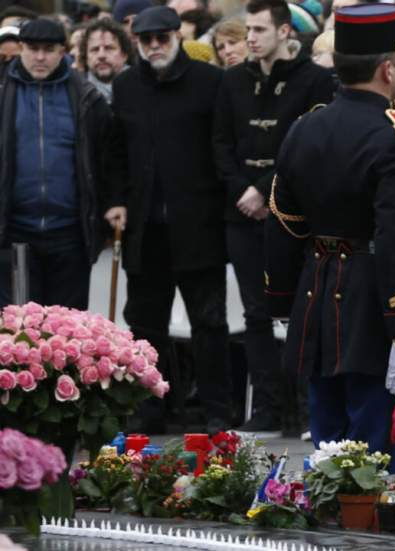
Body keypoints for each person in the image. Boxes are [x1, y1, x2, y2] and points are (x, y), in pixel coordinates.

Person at [264, 3, 395, 468]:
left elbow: (285, 222)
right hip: (371, 296)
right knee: (376, 450)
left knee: (328, 442)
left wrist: (281, 299)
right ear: (388, 68)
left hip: (315, 293)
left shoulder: (304, 127)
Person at [105, 6, 232, 434]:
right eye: (147, 40)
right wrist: (116, 200)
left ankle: (217, 409)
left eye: (162, 38)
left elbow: (221, 147)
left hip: (198, 224)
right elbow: (116, 153)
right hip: (145, 228)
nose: (155, 46)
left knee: (209, 323)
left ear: (177, 36)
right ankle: (153, 404)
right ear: (137, 42)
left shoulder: (210, 82)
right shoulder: (125, 86)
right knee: (145, 323)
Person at [212, 0, 335, 435]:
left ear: (285, 32)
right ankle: (265, 406)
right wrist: (242, 190)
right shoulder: (232, 81)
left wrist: (265, 191)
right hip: (242, 210)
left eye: (260, 29)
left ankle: (302, 409)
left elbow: (309, 146)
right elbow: (221, 144)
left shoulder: (317, 81)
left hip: (294, 213)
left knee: (303, 310)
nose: (250, 38)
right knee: (255, 313)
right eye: (248, 29)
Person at [0, 18, 111, 309]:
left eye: (48, 49)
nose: (39, 57)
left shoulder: (86, 96)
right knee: (21, 331)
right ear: (21, 48)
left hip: (70, 234)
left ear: (63, 51)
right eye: (32, 48)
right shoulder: (3, 94)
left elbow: (105, 159)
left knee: (70, 333)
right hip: (16, 234)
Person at [78, 18, 133, 103]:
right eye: (95, 49)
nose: (101, 55)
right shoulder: (75, 92)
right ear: (86, 57)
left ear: (124, 55)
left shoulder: (144, 87)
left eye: (109, 48)